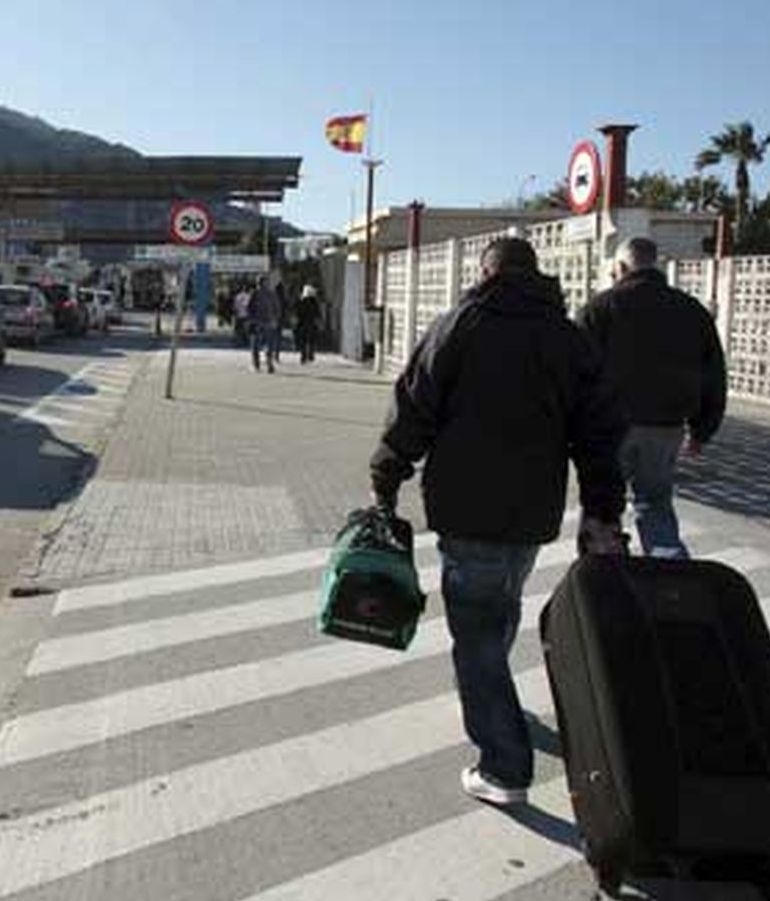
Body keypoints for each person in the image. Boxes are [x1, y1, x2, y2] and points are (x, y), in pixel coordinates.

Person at [371, 237, 627, 806]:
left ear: (486, 272)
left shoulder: (459, 326)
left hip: (467, 508)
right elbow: (600, 433)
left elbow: (414, 406)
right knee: (499, 609)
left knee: (477, 634)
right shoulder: (567, 338)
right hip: (533, 511)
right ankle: (492, 698)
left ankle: (504, 765)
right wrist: (602, 509)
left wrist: (386, 473)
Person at [575, 237, 727, 558]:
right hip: (666, 426)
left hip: (610, 429)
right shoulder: (691, 310)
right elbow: (713, 374)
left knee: (603, 509)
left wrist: (573, 428)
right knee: (655, 504)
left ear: (621, 267)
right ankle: (670, 573)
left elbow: (577, 373)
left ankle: (604, 576)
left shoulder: (599, 308)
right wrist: (702, 430)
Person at [247, 275, 282, 372]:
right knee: (269, 344)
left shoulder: (254, 293)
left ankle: (256, 365)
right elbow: (277, 307)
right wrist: (275, 319)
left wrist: (251, 319)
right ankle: (269, 364)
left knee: (255, 344)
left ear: (258, 283)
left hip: (257, 322)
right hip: (270, 322)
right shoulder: (272, 294)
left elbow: (249, 307)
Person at [294, 284, 322, 364]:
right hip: (311, 323)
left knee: (303, 341)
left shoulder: (301, 301)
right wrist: (319, 321)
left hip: (302, 323)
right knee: (311, 340)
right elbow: (317, 313)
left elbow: (297, 312)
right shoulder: (314, 302)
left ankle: (303, 356)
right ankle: (310, 355)